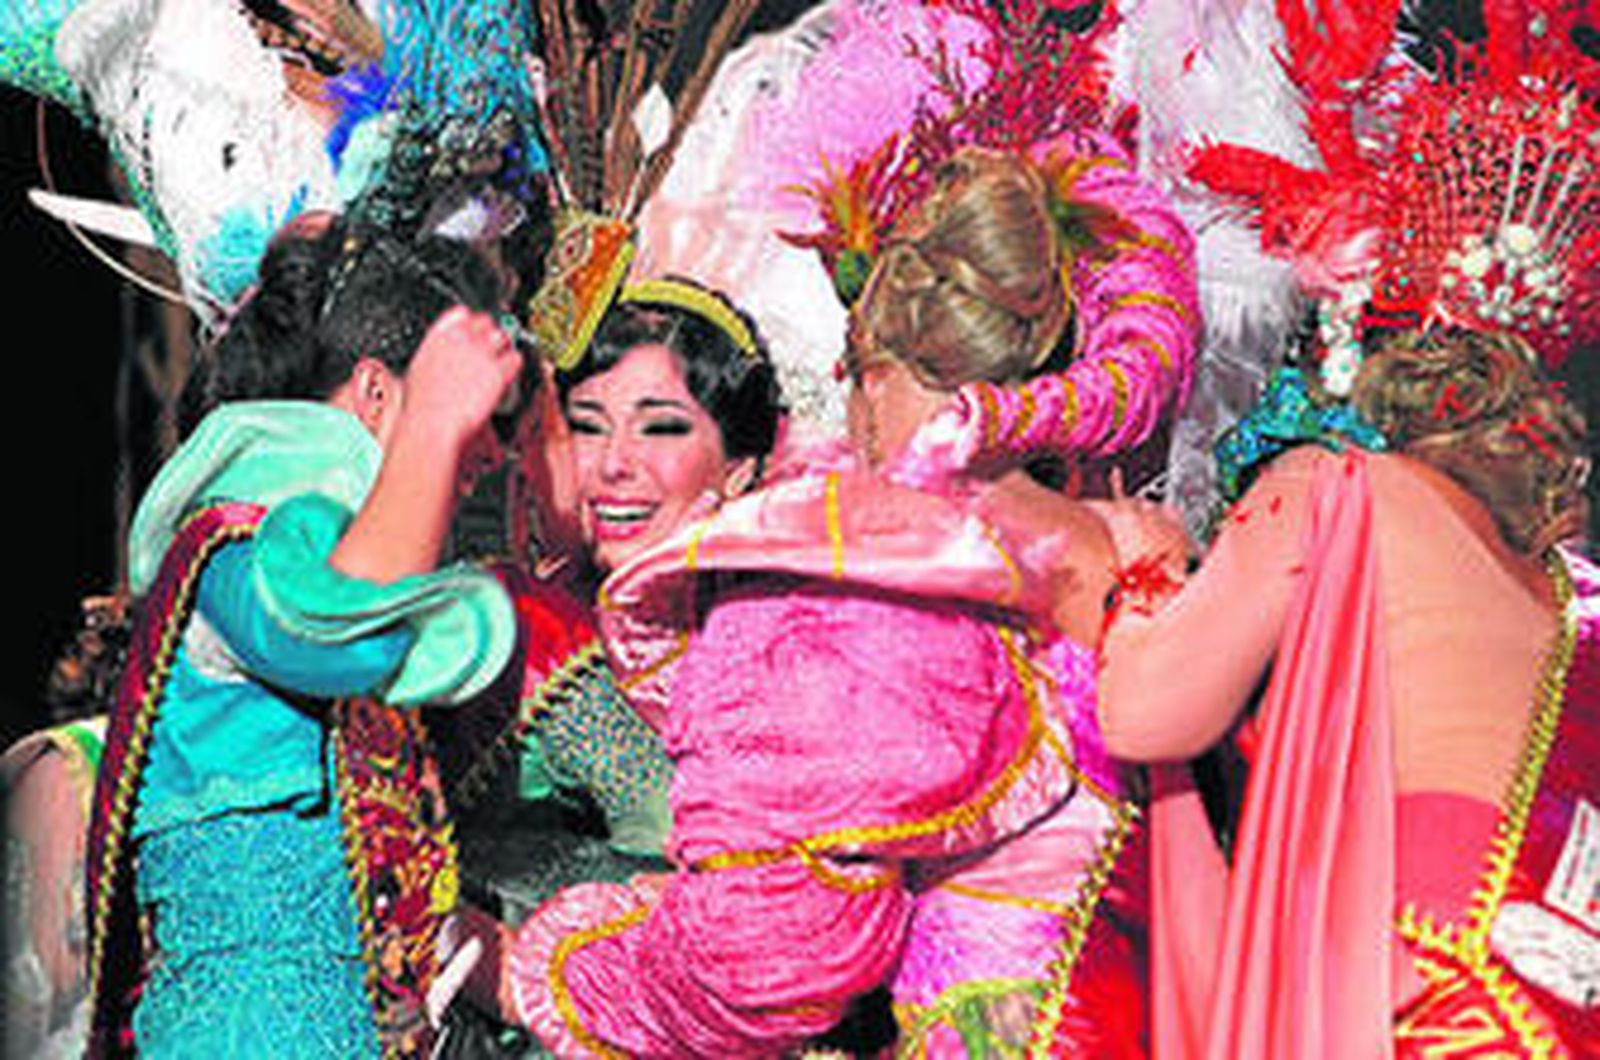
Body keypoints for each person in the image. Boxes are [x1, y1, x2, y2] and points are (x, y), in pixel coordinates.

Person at [502, 150, 1152, 1058]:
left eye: (661, 425)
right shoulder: (1126, 537)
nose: (614, 464)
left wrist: (549, 965)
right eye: (585, 422)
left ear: (868, 374)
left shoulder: (853, 582)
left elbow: (765, 963)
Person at [82, 213, 525, 1058]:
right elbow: (338, 636)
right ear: (375, 391)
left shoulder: (360, 566)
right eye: (474, 415)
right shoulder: (231, 552)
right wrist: (433, 427)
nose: (489, 453)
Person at [1096, 326, 1599, 1057]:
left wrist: (1147, 569)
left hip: (1428, 977)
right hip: (1564, 996)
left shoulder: (1336, 482)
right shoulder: (1571, 592)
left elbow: (1147, 715)